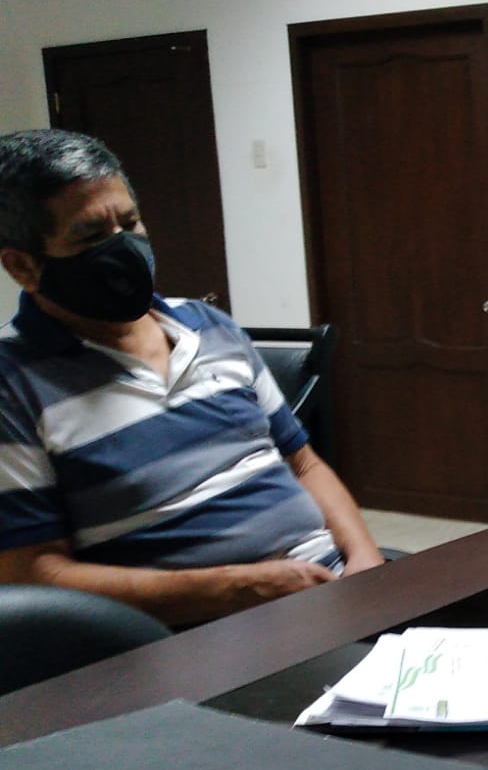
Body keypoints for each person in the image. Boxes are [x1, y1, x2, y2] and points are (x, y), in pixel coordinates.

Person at [0, 128, 383, 626]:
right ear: (23, 266)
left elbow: (304, 465)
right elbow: (32, 574)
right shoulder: (13, 385)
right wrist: (235, 589)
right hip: (201, 632)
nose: (124, 247)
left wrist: (365, 560)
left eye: (129, 223)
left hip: (332, 588)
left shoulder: (210, 326)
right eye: (91, 236)